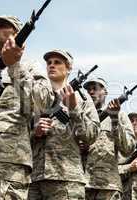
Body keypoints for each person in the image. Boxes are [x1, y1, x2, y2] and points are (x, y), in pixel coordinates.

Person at [0, 15, 55, 199]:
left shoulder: (30, 68)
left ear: (16, 33)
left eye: (2, 26)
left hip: (6, 161)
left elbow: (43, 102)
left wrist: (14, 65)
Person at [28, 49, 100, 200]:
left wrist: (73, 108)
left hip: (66, 178)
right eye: (49, 63)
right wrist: (35, 131)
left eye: (57, 62)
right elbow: (20, 133)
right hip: (34, 178)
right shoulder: (37, 96)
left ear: (68, 68)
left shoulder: (83, 99)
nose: (51, 66)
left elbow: (91, 135)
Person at [83, 78, 135, 200]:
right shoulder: (81, 114)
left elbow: (128, 148)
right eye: (88, 89)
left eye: (95, 88)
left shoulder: (120, 115)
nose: (91, 92)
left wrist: (115, 120)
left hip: (108, 185)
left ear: (105, 92)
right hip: (82, 183)